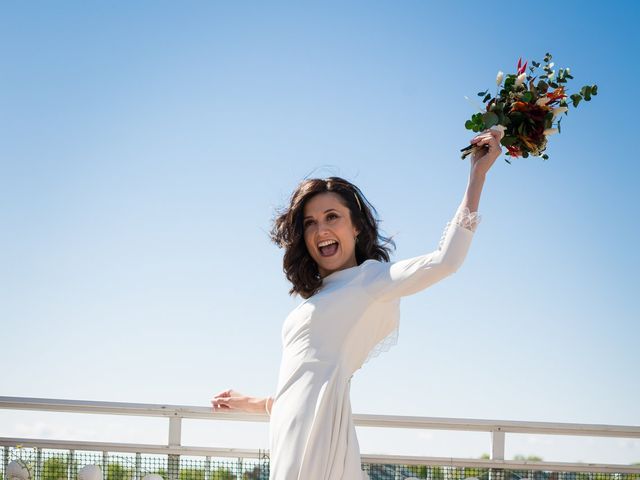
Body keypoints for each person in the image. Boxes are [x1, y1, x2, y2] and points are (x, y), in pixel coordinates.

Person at [211, 128, 503, 479]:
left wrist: (477, 175)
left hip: (319, 437)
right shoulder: (319, 296)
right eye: (310, 223)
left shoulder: (370, 280)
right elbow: (306, 378)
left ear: (357, 228)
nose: (321, 231)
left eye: (332, 217)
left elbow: (446, 261)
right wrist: (257, 403)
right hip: (288, 432)